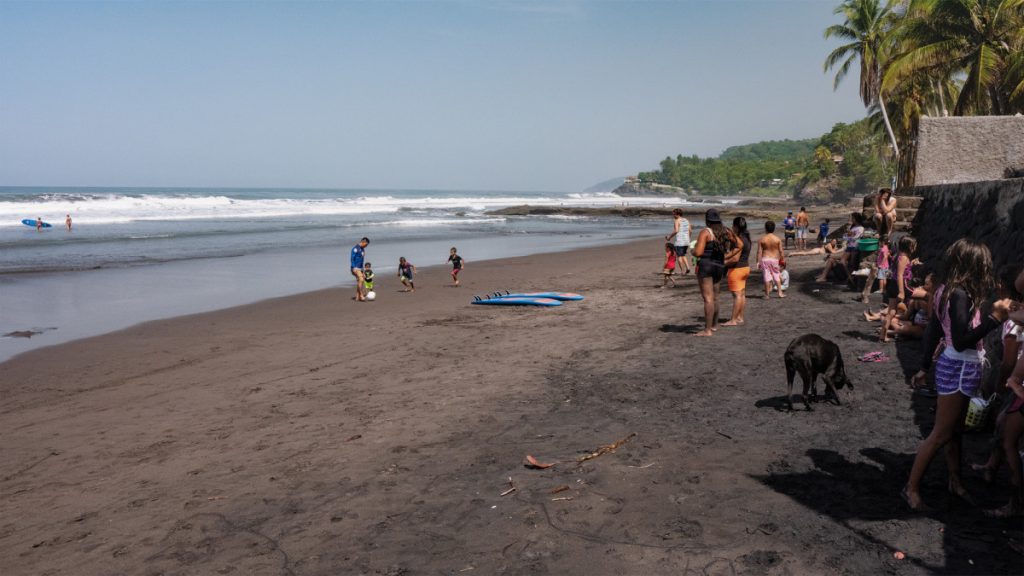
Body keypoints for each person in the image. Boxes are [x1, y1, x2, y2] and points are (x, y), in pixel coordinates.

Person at [903, 239, 1013, 512]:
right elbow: (963, 340)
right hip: (960, 365)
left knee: (955, 432)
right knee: (941, 434)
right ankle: (911, 488)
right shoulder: (960, 295)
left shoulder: (943, 291)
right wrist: (995, 319)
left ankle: (955, 481)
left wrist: (924, 366)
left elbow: (934, 331)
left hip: (953, 364)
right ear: (974, 266)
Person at [693, 208, 736, 337]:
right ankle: (714, 325)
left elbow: (699, 252)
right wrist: (728, 255)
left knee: (708, 299)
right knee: (716, 297)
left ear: (707, 220)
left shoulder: (706, 232)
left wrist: (692, 251)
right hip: (719, 266)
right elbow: (739, 244)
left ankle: (707, 330)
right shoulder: (726, 231)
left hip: (706, 266)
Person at [881, 236, 916, 343]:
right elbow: (900, 275)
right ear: (909, 246)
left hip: (893, 285)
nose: (915, 247)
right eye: (914, 245)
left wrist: (911, 263)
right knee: (927, 296)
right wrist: (901, 292)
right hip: (902, 286)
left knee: (891, 311)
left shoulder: (898, 256)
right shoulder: (904, 258)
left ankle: (883, 335)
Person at [815, 213, 864, 283]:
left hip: (854, 247)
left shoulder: (861, 228)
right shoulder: (853, 227)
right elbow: (846, 236)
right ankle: (824, 276)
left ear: (856, 219)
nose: (852, 220)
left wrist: (849, 236)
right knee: (839, 260)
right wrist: (849, 236)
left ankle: (850, 278)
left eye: (853, 218)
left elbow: (855, 238)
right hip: (849, 247)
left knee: (851, 264)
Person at [722, 217, 750, 326]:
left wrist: (722, 262)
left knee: (737, 295)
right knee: (742, 294)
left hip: (737, 269)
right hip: (745, 268)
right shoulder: (747, 238)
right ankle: (740, 317)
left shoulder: (738, 240)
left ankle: (733, 320)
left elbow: (735, 259)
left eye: (733, 226)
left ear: (736, 227)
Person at [756, 220, 785, 299]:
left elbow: (759, 252)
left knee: (766, 276)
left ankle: (767, 295)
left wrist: (757, 262)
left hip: (765, 259)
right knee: (777, 275)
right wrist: (782, 259)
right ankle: (780, 293)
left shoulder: (762, 239)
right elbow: (781, 251)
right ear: (774, 229)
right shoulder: (777, 239)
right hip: (774, 259)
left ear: (765, 228)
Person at [666, 208, 692, 275]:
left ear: (677, 214)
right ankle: (688, 268)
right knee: (683, 255)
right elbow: (690, 230)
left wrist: (669, 237)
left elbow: (676, 230)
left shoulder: (677, 220)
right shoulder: (686, 220)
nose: (673, 215)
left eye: (674, 214)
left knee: (679, 256)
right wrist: (688, 238)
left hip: (680, 241)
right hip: (686, 240)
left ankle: (682, 271)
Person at [350, 237, 370, 302]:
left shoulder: (363, 250)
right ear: (363, 242)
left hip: (360, 268)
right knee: (361, 280)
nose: (366, 246)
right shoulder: (355, 248)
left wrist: (363, 271)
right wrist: (354, 267)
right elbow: (352, 258)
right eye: (366, 245)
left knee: (360, 281)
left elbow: (362, 261)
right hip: (355, 268)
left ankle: (357, 297)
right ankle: (361, 295)